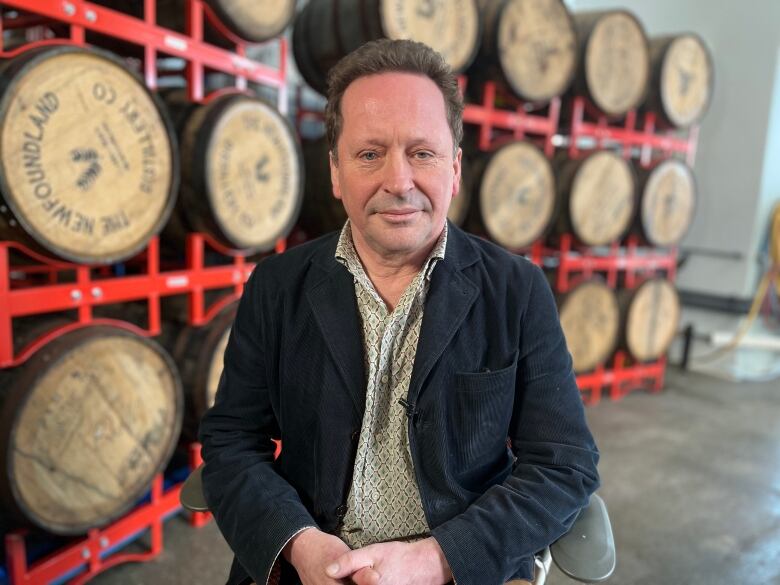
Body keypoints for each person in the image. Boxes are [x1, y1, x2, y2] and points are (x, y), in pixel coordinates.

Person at [199, 39, 600, 585]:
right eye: (369, 154)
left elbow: (565, 464)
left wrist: (440, 558)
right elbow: (230, 441)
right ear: (337, 172)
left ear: (454, 170)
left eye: (422, 153)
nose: (399, 181)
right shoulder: (277, 286)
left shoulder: (517, 291)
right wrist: (298, 544)